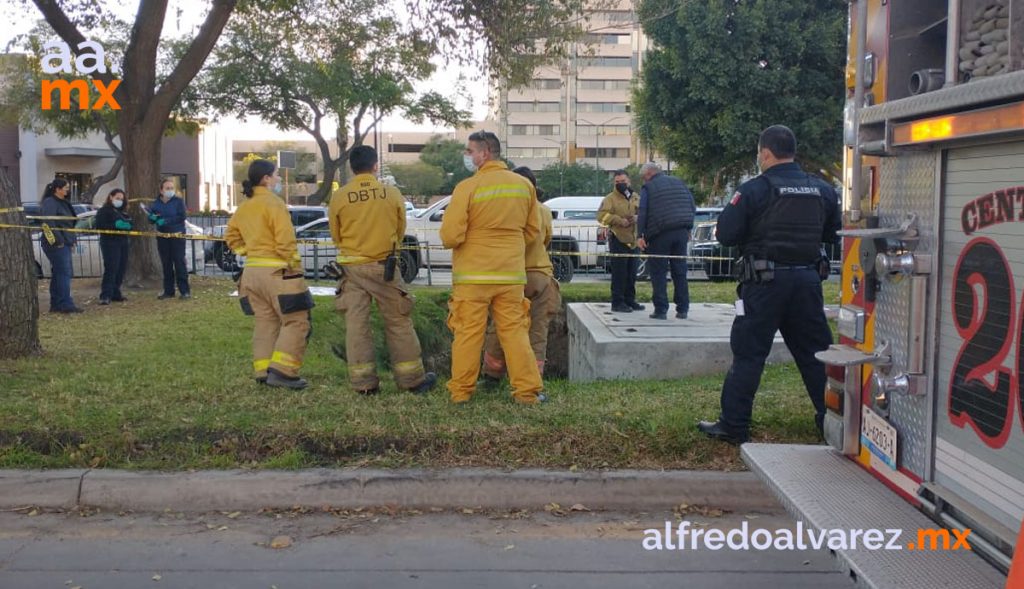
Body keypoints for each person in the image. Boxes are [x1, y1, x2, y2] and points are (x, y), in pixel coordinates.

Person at [698, 125, 841, 444]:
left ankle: (734, 425)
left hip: (763, 284)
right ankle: (831, 422)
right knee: (816, 354)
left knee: (749, 354)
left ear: (765, 153)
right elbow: (834, 233)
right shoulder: (822, 189)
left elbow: (725, 235)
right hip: (807, 282)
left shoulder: (754, 190)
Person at [440, 131, 546, 405]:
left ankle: (461, 393)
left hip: (473, 276)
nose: (467, 156)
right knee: (514, 332)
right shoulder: (524, 186)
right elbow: (533, 231)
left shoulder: (467, 188)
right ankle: (527, 392)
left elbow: (450, 236)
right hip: (510, 275)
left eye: (469, 151)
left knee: (468, 334)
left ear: (484, 153)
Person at [329, 145, 437, 396]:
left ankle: (364, 384)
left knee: (357, 325)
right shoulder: (391, 193)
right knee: (398, 321)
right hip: (384, 268)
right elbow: (401, 230)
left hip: (352, 269)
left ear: (351, 168)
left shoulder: (340, 196)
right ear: (375, 165)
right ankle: (412, 380)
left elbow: (335, 233)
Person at [225, 159, 313, 389]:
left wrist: (248, 251)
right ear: (265, 178)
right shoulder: (274, 203)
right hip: (277, 271)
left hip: (252, 273)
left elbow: (231, 236)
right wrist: (295, 265)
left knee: (265, 322)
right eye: (274, 176)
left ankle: (263, 371)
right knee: (296, 321)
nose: (277, 180)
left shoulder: (244, 206)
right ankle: (284, 372)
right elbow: (285, 239)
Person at [480, 166, 562, 382]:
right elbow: (545, 240)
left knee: (500, 327)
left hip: (511, 276)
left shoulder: (503, 209)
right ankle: (532, 379)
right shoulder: (542, 210)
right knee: (537, 332)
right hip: (540, 276)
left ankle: (492, 375)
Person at [636, 162, 695, 320]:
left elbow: (643, 212)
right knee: (680, 271)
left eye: (643, 178)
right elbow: (691, 204)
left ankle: (661, 309)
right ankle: (683, 309)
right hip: (681, 232)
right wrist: (688, 228)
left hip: (659, 234)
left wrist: (640, 235)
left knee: (658, 272)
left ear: (648, 174)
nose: (643, 181)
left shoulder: (648, 188)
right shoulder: (679, 182)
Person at [598, 170, 644, 313]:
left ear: (629, 181)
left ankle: (630, 300)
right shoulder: (610, 199)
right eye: (617, 182)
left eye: (623, 181)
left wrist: (638, 218)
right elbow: (601, 216)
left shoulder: (635, 197)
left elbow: (643, 212)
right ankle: (617, 302)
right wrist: (618, 220)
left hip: (633, 240)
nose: (620, 184)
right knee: (619, 273)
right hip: (618, 238)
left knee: (632, 273)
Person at [38, 178, 82, 313]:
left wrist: (71, 240)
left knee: (59, 273)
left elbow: (69, 224)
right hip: (55, 244)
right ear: (57, 189)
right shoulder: (50, 203)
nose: (68, 190)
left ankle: (57, 303)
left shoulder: (64, 203)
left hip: (66, 241)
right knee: (64, 273)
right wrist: (58, 242)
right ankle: (65, 303)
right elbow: (48, 224)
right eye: (66, 188)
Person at [149, 178, 191, 300]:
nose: (170, 190)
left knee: (179, 263)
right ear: (161, 190)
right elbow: (151, 219)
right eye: (167, 188)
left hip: (177, 236)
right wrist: (152, 218)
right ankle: (168, 291)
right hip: (162, 237)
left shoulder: (178, 202)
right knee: (166, 264)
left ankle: (185, 291)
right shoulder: (156, 203)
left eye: (172, 188)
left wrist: (166, 221)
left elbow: (181, 217)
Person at [95, 188, 132, 305]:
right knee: (111, 268)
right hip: (110, 243)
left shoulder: (123, 212)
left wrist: (128, 225)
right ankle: (105, 295)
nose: (120, 201)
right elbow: (100, 225)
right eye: (117, 198)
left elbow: (131, 223)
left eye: (121, 199)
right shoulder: (104, 211)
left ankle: (116, 293)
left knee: (121, 268)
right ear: (111, 197)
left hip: (123, 242)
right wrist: (115, 226)